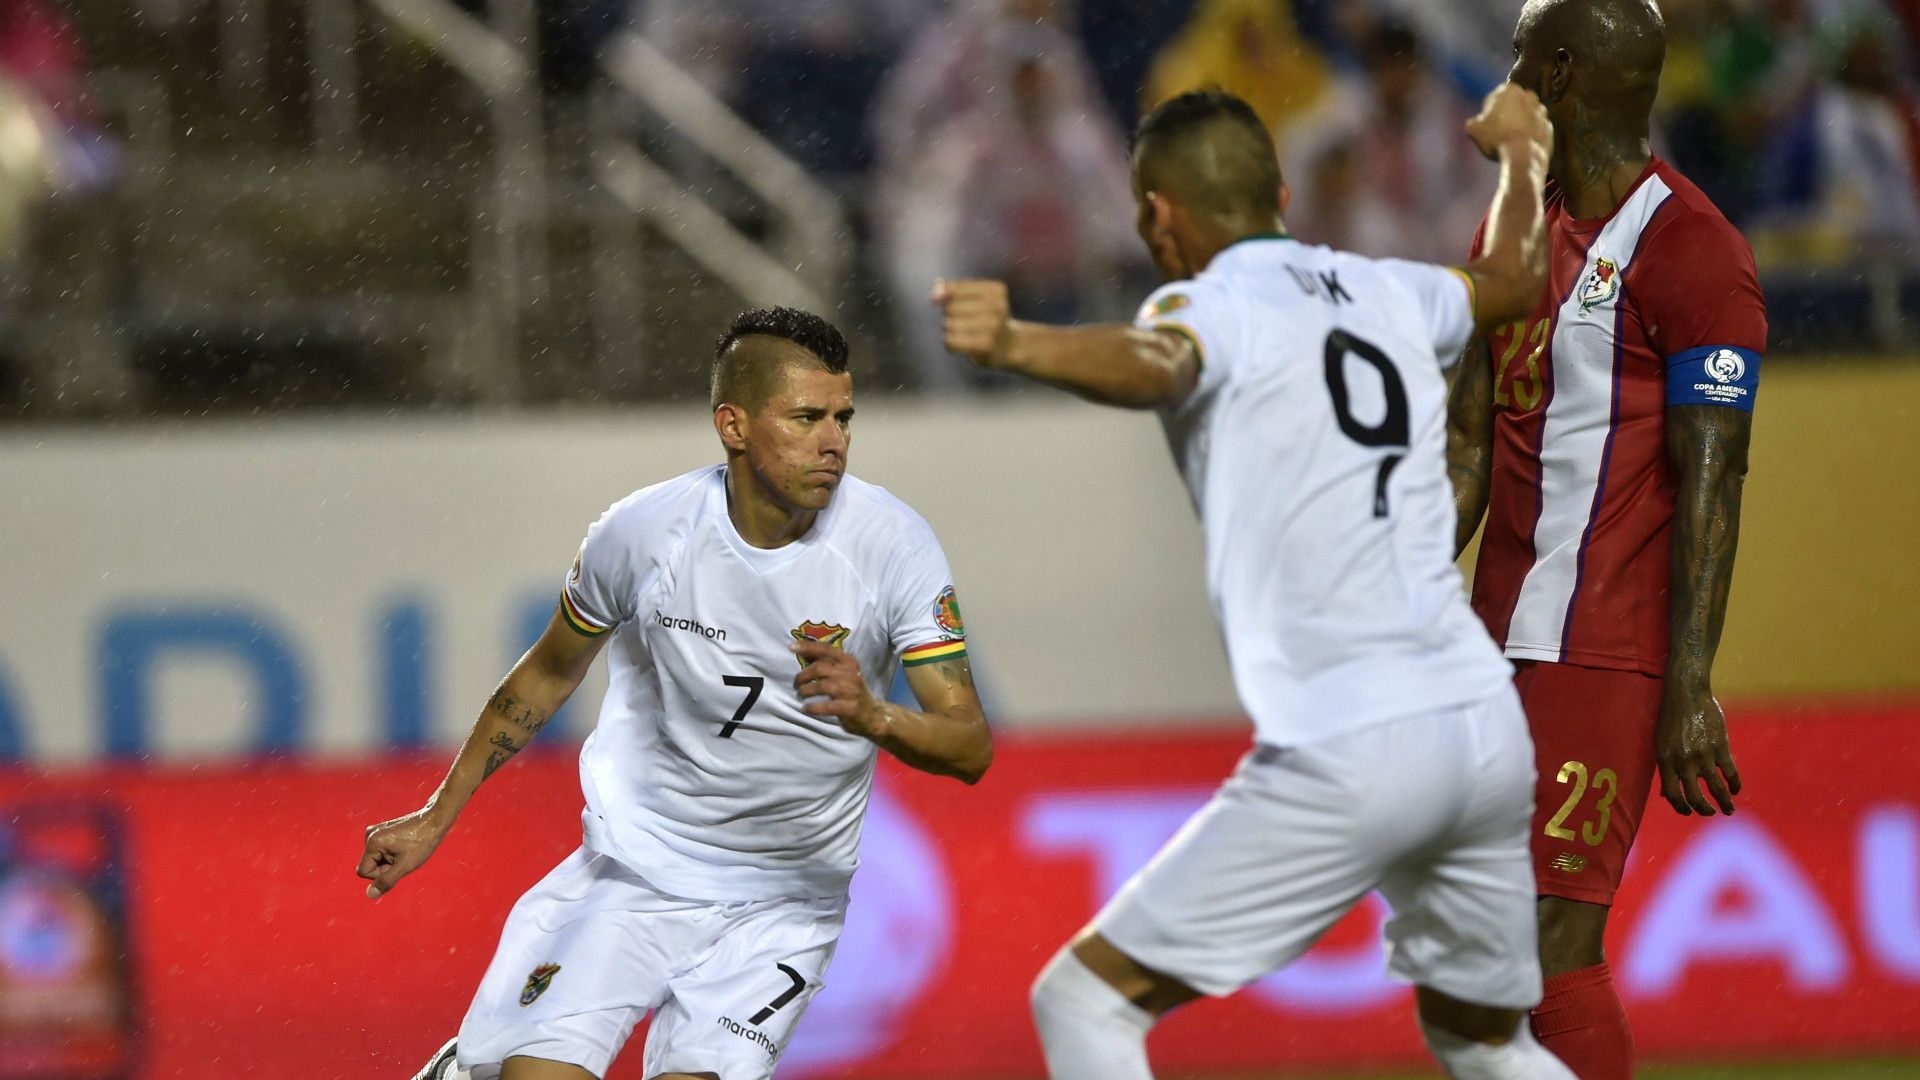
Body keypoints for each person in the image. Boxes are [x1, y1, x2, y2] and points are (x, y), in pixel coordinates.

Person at [935, 85, 1571, 1080]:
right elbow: (1514, 278)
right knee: (1486, 1042)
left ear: (1158, 216)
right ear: (1280, 191)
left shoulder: (1206, 306)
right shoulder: (1392, 289)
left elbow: (1157, 361)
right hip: (1482, 730)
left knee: (1085, 1003)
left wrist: (1018, 343)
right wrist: (1527, 154)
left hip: (1351, 737)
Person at [357, 307, 992, 1080]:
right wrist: (435, 816)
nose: (834, 442)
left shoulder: (894, 546)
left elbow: (969, 746)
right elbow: (551, 670)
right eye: (805, 417)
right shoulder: (644, 533)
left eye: (843, 417)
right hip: (637, 872)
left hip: (784, 908)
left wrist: (874, 714)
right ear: (733, 425)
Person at [1446, 3, 1768, 1077]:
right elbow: (1465, 451)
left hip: (1602, 654)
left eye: (1521, 55)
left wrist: (1688, 681)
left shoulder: (1693, 250)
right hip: (1491, 647)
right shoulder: (1510, 235)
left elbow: (1713, 481)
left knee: (1550, 952)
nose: (1508, 72)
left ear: (1564, 69)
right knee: (1473, 963)